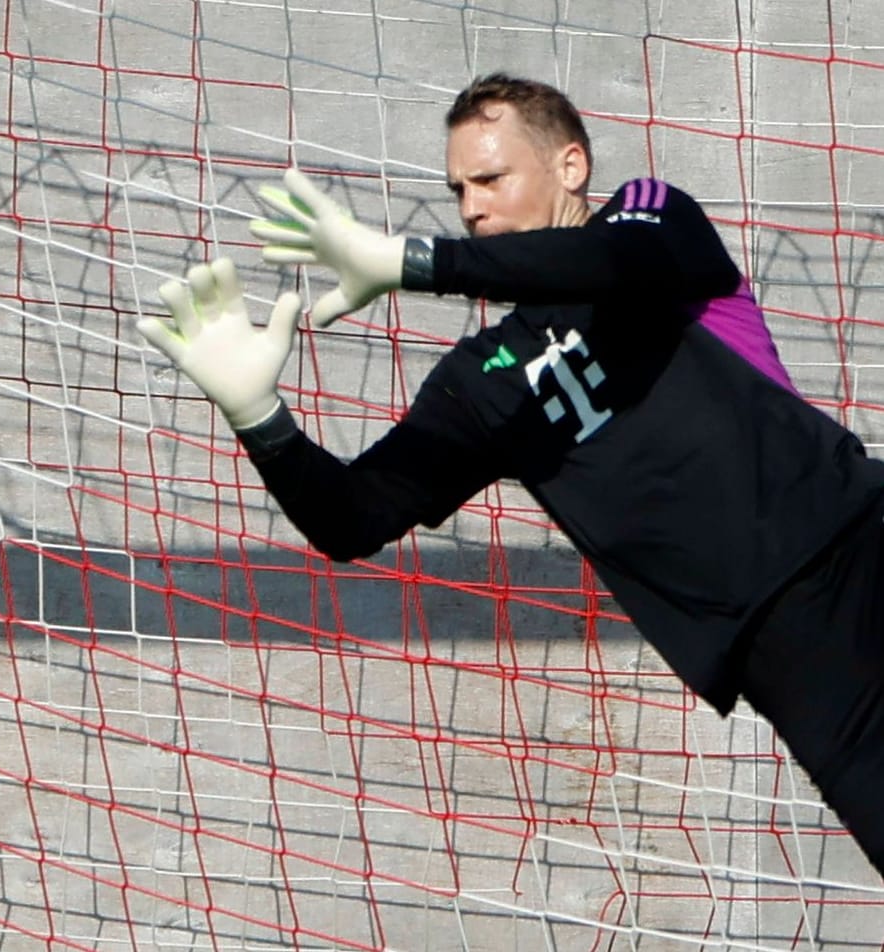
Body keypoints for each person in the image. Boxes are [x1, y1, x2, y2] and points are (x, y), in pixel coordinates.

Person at [136, 72, 884, 875]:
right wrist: (260, 418)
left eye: (492, 178)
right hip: (784, 656)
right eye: (459, 188)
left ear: (571, 167)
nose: (471, 206)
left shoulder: (652, 222)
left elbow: (603, 260)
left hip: (862, 544)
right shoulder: (481, 381)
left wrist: (415, 261)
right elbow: (351, 518)